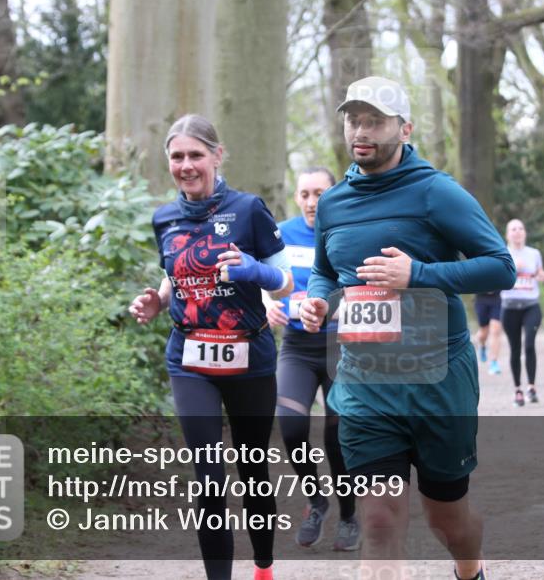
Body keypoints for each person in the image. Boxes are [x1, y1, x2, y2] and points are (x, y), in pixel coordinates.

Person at [298, 76, 515, 580]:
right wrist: (317, 302)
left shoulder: (437, 193)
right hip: (366, 385)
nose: (361, 130)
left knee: (448, 519)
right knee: (378, 519)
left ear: (405, 127)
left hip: (438, 382)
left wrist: (419, 274)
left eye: (375, 120)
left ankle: (470, 570)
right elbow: (327, 272)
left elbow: (499, 267)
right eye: (354, 119)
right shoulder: (333, 204)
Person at [128, 114, 293, 580]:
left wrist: (252, 271)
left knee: (253, 472)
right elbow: (173, 273)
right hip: (190, 358)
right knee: (209, 478)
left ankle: (263, 567)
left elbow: (286, 284)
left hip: (249, 357)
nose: (186, 165)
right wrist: (157, 300)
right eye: (177, 157)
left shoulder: (249, 210)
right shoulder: (164, 217)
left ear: (217, 156)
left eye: (195, 155)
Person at [265, 166, 361, 551]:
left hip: (341, 345)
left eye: (318, 193)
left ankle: (350, 515)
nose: (310, 202)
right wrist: (266, 304)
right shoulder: (282, 234)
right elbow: (260, 279)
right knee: (290, 427)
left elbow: (364, 289)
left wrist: (332, 309)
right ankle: (317, 501)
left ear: (332, 194)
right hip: (296, 347)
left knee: (338, 437)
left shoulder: (349, 232)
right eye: (304, 194)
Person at [500, 219, 544, 407]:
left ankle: (532, 387)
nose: (517, 232)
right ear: (507, 234)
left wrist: (541, 276)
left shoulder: (534, 253)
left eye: (520, 228)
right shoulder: (502, 254)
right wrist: (512, 270)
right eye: (513, 229)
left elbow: (540, 273)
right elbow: (496, 279)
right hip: (509, 307)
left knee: (529, 345)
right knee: (515, 348)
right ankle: (518, 389)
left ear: (525, 233)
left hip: (531, 306)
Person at [473, 290, 504, 376]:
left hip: (496, 299)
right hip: (481, 299)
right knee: (483, 333)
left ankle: (494, 362)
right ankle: (482, 345)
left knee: (495, 330)